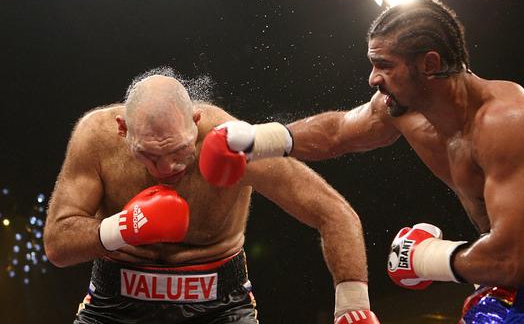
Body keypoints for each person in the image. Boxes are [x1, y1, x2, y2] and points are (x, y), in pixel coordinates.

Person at [207, 0, 524, 322]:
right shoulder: (400, 108)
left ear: (430, 64)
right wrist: (255, 138)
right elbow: (338, 132)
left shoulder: (506, 121)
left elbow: (516, 260)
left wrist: (428, 257)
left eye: (385, 64)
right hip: (511, 268)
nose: (373, 77)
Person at [43, 73, 380, 324]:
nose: (166, 168)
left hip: (220, 307)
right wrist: (121, 229)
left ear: (196, 122)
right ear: (122, 129)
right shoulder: (96, 139)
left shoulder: (231, 142)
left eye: (178, 150)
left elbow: (333, 212)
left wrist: (354, 305)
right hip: (114, 304)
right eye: (148, 155)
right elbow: (58, 244)